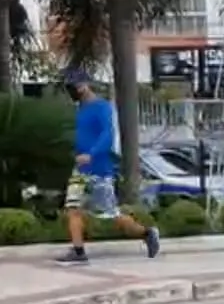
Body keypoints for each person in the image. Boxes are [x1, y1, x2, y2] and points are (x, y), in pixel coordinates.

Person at [57, 70, 160, 264]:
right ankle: (78, 251)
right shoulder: (81, 109)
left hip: (100, 170)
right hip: (80, 170)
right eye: (70, 88)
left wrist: (91, 154)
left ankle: (146, 233)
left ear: (85, 85)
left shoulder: (102, 107)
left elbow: (108, 135)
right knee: (72, 208)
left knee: (111, 215)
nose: (73, 91)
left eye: (75, 87)